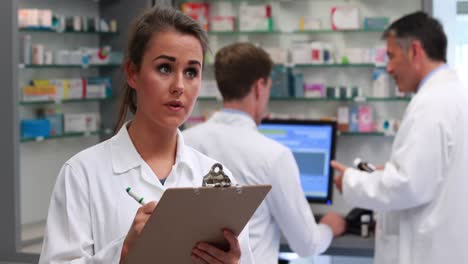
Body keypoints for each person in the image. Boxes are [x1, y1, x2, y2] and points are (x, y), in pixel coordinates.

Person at [39, 6, 255, 264]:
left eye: (191, 72)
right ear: (132, 73)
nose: (179, 86)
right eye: (165, 68)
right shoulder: (82, 173)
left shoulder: (217, 179)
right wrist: (122, 254)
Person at [183, 42, 346, 263]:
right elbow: (307, 244)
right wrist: (329, 226)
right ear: (260, 87)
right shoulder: (274, 155)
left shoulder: (185, 141)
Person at [331, 11, 468, 264]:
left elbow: (409, 185)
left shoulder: (431, 103)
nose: (389, 68)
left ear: (415, 51)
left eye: (392, 56)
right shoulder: (453, 93)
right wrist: (386, 171)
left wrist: (351, 181)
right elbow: (435, 172)